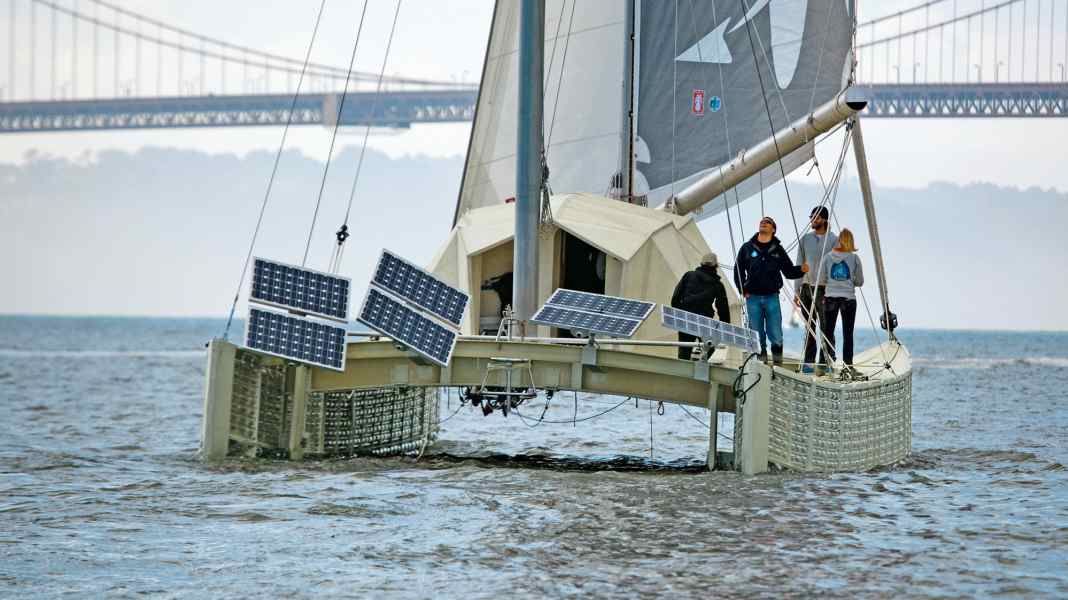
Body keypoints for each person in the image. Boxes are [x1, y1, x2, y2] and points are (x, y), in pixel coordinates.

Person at [734, 216, 808, 365]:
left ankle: (777, 366)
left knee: (775, 334)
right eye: (762, 221)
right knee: (757, 334)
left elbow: (788, 271)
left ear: (773, 229)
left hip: (771, 297)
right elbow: (738, 270)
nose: (763, 223)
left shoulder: (777, 250)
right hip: (752, 298)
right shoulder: (747, 248)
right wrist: (743, 291)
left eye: (767, 222)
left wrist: (801, 270)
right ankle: (761, 366)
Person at [794, 206, 838, 373]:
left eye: (816, 217)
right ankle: (809, 362)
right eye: (811, 216)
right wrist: (797, 291)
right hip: (806, 288)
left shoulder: (834, 240)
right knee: (809, 327)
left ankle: (827, 360)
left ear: (824, 219)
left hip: (825, 289)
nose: (812, 219)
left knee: (827, 328)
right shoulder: (805, 239)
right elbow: (800, 265)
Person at [819, 228, 864, 376]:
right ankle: (848, 367)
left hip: (830, 297)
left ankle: (822, 365)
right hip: (848, 299)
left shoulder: (827, 257)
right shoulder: (854, 258)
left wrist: (832, 283)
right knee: (848, 334)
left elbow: (822, 279)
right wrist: (849, 281)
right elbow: (860, 281)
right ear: (851, 241)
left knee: (827, 332)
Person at [670, 253, 731, 360]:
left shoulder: (689, 275)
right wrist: (725, 327)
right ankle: (702, 364)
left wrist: (680, 314)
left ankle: (682, 372)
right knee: (710, 348)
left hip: (686, 318)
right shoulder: (717, 285)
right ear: (716, 266)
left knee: (684, 351)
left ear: (701, 264)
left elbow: (675, 298)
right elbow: (723, 309)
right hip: (704, 321)